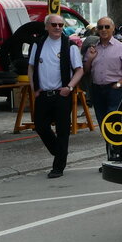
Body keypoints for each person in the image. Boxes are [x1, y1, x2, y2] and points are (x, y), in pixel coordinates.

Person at [28, 14, 84, 178]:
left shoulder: (70, 46)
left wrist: (69, 87)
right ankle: (59, 151)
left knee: (63, 130)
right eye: (54, 24)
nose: (58, 28)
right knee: (40, 126)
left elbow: (79, 70)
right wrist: (34, 88)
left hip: (61, 94)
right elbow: (31, 67)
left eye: (60, 25)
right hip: (43, 94)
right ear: (46, 26)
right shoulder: (38, 44)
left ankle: (58, 167)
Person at [82, 16, 122, 129]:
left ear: (113, 28)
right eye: (100, 27)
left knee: (113, 122)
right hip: (97, 89)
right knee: (101, 121)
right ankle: (107, 141)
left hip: (114, 89)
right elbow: (86, 70)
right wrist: (90, 58)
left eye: (107, 27)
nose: (103, 30)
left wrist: (118, 85)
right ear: (97, 30)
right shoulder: (92, 48)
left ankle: (114, 141)